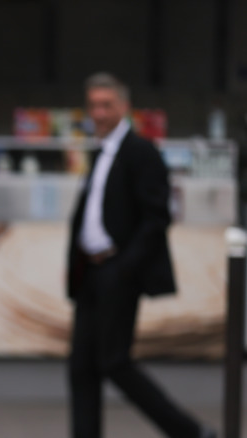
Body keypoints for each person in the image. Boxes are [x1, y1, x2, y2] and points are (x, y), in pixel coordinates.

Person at [66, 72, 216, 438]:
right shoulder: (100, 152)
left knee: (114, 362)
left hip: (117, 273)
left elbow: (157, 217)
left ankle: (189, 431)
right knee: (82, 367)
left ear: (123, 107)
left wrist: (124, 268)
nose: (98, 113)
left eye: (106, 105)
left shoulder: (141, 151)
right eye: (93, 105)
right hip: (90, 274)